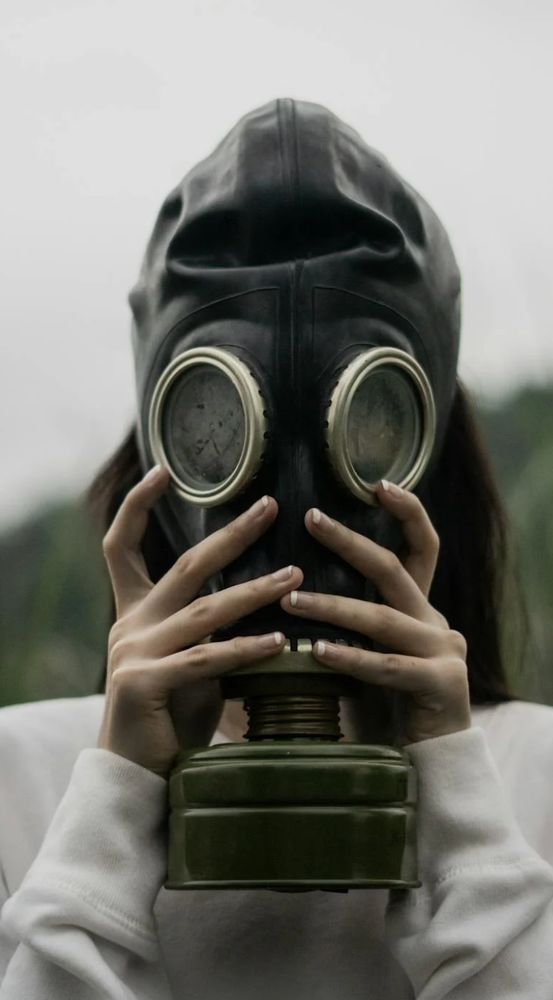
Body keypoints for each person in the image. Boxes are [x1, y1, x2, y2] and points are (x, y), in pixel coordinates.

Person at [1, 97, 553, 1000]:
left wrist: (456, 795)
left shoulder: (534, 779)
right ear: (155, 455)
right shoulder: (18, 783)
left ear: (430, 449)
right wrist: (115, 801)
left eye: (367, 430)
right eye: (215, 428)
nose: (293, 495)